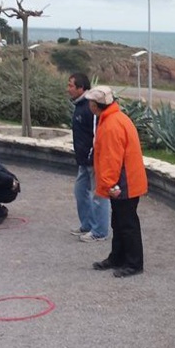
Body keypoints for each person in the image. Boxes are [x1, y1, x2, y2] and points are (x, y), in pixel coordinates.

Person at [86, 86, 148, 278]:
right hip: (126, 180)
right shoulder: (116, 118)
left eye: (90, 102)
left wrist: (108, 185)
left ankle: (133, 263)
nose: (88, 105)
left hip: (123, 183)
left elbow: (111, 160)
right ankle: (118, 257)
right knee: (120, 221)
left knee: (127, 223)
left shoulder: (111, 124)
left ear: (96, 105)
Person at [67, 73, 110, 242]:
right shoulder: (80, 105)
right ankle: (87, 225)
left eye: (71, 86)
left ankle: (100, 231)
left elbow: (96, 134)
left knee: (99, 195)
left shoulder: (90, 107)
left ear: (81, 88)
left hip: (92, 160)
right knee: (80, 191)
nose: (68, 89)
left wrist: (92, 157)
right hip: (83, 160)